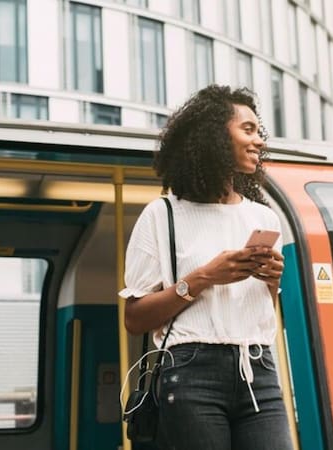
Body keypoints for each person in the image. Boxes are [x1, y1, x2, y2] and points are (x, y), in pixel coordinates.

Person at [120, 85, 293, 450]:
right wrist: (204, 277)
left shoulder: (262, 216)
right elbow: (135, 319)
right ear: (214, 135)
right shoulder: (162, 215)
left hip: (259, 368)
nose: (259, 140)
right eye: (247, 129)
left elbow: (262, 313)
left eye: (258, 130)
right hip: (191, 373)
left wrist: (272, 283)